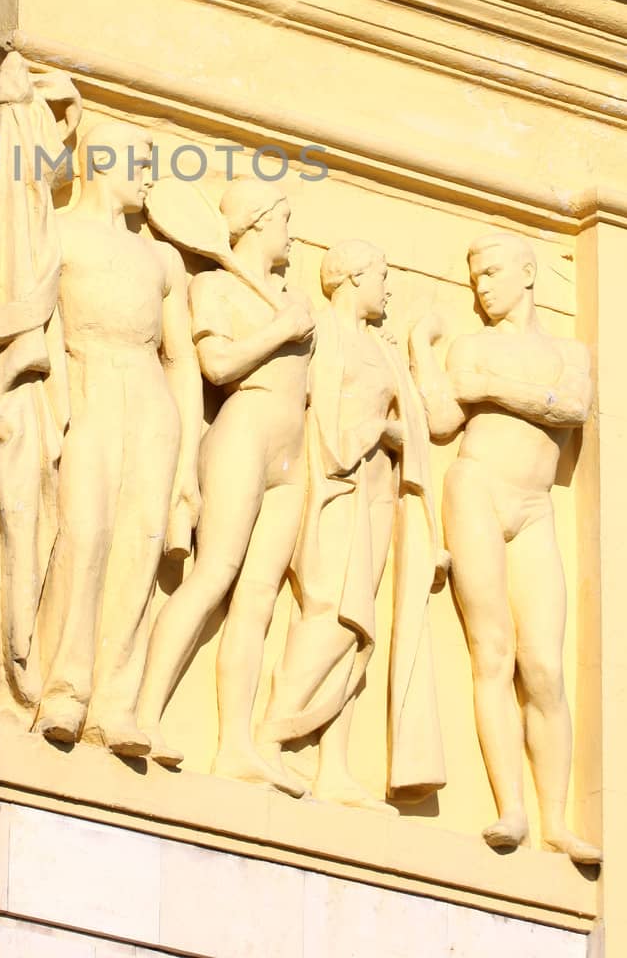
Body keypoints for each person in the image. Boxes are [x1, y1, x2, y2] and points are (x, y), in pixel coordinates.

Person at [410, 231, 600, 861]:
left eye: (491, 273)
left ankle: (556, 819)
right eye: (474, 280)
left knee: (543, 666)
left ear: (527, 271)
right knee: (492, 652)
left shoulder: (568, 352)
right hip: (477, 491)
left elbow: (571, 407)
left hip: (534, 505)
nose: (482, 288)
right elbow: (442, 420)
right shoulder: (471, 346)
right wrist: (422, 356)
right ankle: (511, 808)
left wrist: (492, 388)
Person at [136, 179, 313, 788]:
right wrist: (281, 331)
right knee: (214, 576)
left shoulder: (280, 292)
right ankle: (145, 712)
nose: (292, 231)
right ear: (260, 222)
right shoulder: (215, 285)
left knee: (258, 599)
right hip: (245, 431)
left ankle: (237, 744)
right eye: (285, 217)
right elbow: (217, 365)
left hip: (294, 451)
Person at [36, 120, 203, 756]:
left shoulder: (161, 258)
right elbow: (41, 324)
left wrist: (187, 464)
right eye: (142, 160)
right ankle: (64, 690)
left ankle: (115, 702)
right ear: (101, 161)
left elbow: (182, 360)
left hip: (150, 399)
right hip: (87, 381)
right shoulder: (59, 234)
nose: (151, 175)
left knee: (141, 540)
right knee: (84, 533)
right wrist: (56, 408)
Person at [259, 240, 445, 808]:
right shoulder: (325, 335)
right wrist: (379, 432)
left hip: (377, 490)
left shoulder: (380, 347)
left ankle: (334, 767)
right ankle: (271, 731)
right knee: (330, 615)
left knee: (359, 624)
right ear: (351, 277)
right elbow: (321, 418)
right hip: (333, 485)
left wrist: (417, 351)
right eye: (381, 276)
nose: (387, 288)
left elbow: (426, 420)